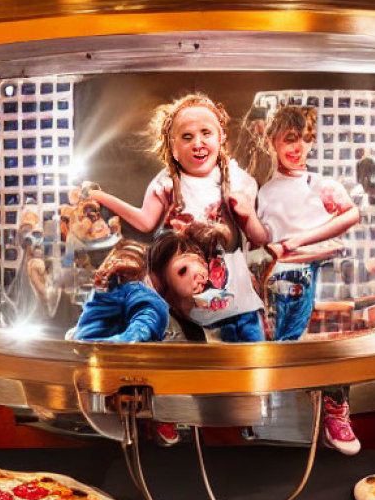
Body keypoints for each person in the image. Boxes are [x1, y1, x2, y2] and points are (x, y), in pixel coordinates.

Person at [233, 105, 362, 454]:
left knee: (315, 344)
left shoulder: (320, 184)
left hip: (319, 269)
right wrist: (245, 216)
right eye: (290, 139)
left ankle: (331, 406)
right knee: (281, 341)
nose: (298, 147)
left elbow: (351, 214)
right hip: (283, 277)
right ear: (272, 140)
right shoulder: (266, 191)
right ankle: (265, 405)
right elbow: (261, 238)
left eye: (305, 140)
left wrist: (299, 241)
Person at [89, 93, 264, 342]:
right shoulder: (166, 182)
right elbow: (145, 222)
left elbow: (259, 237)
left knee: (249, 364)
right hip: (185, 308)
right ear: (173, 146)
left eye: (206, 133)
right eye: (187, 137)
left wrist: (247, 215)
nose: (198, 143)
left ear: (221, 137)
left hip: (236, 301)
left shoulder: (237, 180)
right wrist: (103, 197)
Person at [70, 241, 169, 344]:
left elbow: (137, 335)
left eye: (130, 258)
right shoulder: (104, 295)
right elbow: (85, 336)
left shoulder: (148, 301)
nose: (114, 264)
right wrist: (103, 292)